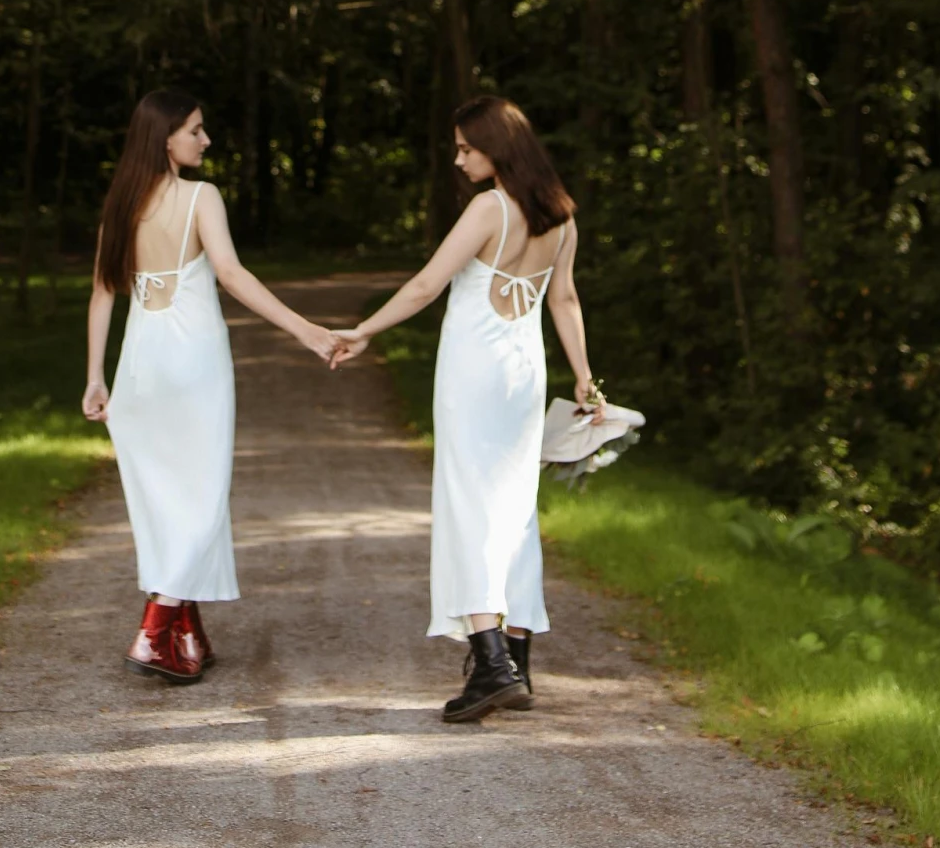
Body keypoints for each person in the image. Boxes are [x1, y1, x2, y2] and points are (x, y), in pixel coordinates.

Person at [330, 94, 600, 723]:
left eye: (466, 148)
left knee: (468, 503)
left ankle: (493, 667)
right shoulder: (561, 216)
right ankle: (518, 659)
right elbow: (564, 300)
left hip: (475, 370)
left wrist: (365, 329)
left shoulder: (489, 210)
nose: (458, 160)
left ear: (497, 149)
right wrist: (583, 375)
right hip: (524, 372)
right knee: (514, 510)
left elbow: (428, 283)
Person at [83, 89, 339, 683]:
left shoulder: (120, 204)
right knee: (200, 491)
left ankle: (185, 629)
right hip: (193, 360)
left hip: (139, 365)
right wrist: (305, 330)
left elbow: (102, 293)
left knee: (163, 495)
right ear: (165, 138)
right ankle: (154, 629)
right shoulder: (202, 197)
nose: (205, 140)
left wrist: (96, 376)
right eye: (195, 130)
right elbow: (230, 273)